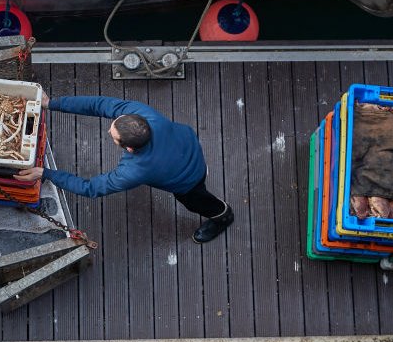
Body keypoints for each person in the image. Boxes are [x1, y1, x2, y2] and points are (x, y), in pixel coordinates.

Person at [15, 94, 234, 243]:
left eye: (113, 135)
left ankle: (222, 215)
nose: (110, 131)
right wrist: (51, 103)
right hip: (189, 146)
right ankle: (204, 179)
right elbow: (98, 105)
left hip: (187, 181)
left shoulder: (134, 171)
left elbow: (90, 188)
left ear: (129, 148)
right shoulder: (141, 114)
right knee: (189, 168)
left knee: (197, 201)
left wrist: (45, 173)